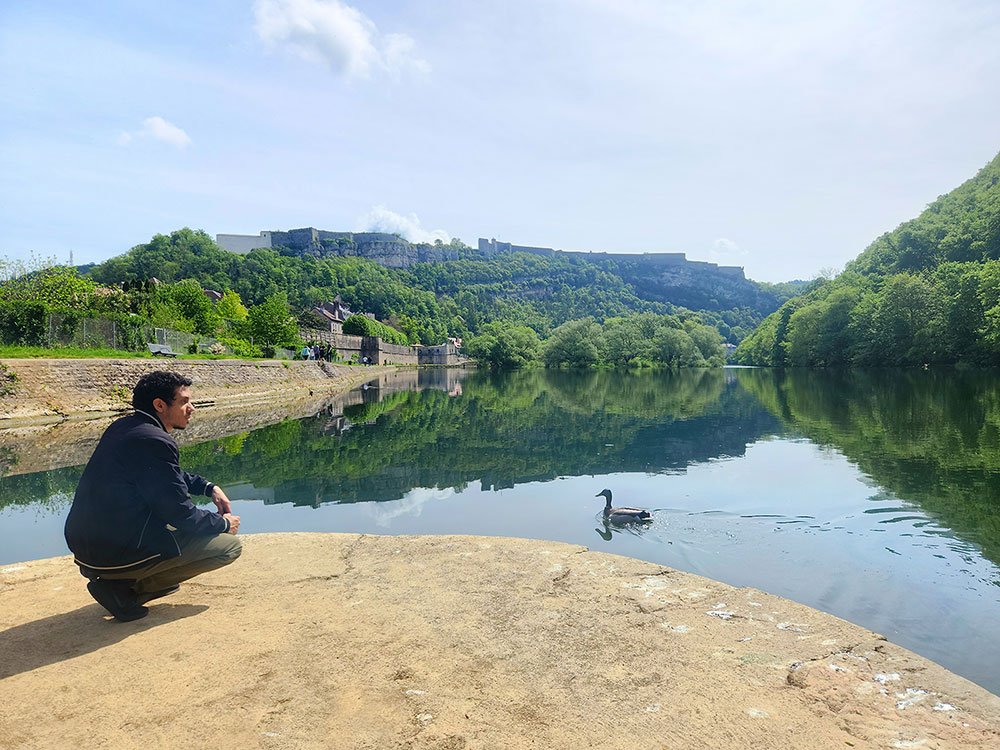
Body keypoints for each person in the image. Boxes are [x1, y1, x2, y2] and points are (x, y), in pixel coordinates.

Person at [64, 371, 242, 622]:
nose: (191, 408)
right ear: (160, 405)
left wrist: (207, 487)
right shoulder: (154, 439)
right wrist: (224, 523)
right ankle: (126, 590)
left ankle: (127, 582)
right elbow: (181, 515)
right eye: (184, 402)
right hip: (113, 554)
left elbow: (166, 475)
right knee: (229, 547)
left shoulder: (125, 427)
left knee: (173, 564)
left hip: (87, 548)